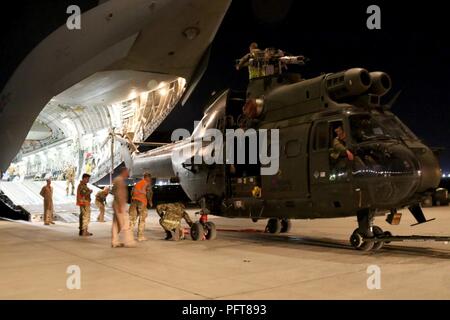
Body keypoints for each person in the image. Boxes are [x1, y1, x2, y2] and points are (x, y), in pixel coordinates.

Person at [111, 167, 136, 248]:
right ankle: (129, 241)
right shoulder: (119, 180)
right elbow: (119, 194)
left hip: (117, 204)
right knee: (125, 223)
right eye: (127, 172)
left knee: (116, 224)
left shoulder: (117, 179)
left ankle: (115, 241)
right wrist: (120, 206)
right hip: (120, 205)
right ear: (123, 172)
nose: (128, 173)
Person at [129, 173, 153, 242]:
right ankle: (140, 236)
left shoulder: (138, 183)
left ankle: (129, 236)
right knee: (142, 219)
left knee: (132, 220)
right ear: (148, 177)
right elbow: (149, 193)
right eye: (150, 178)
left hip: (134, 202)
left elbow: (132, 193)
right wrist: (150, 201)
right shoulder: (147, 183)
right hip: (142, 202)